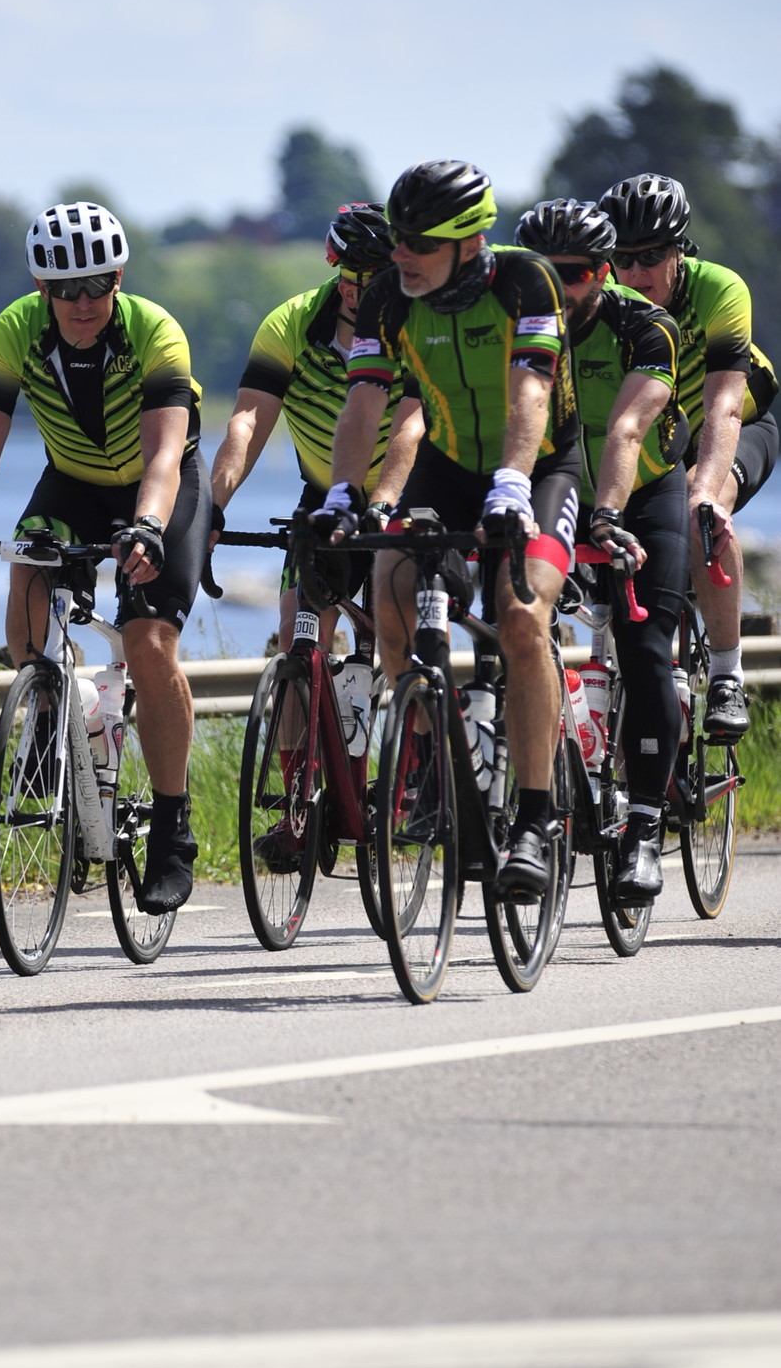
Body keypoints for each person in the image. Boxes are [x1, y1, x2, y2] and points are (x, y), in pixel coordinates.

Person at [321, 159, 581, 898]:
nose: (401, 254)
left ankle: (535, 818)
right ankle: (439, 760)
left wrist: (513, 482)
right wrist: (343, 494)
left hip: (541, 465)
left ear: (469, 243)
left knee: (521, 618)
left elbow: (530, 392)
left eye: (420, 243)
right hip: (447, 464)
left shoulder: (526, 282)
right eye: (398, 238)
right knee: (391, 594)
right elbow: (364, 404)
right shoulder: (387, 296)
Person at [0, 202, 209, 914]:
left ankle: (173, 827)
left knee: (149, 643)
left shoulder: (154, 331)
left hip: (161, 486)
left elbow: (164, 453)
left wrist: (147, 528)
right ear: (42, 289)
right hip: (74, 482)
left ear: (118, 279)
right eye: (65, 289)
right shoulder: (14, 332)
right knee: (27, 567)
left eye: (97, 285)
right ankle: (46, 717)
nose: (82, 302)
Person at [515, 197, 690, 901]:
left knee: (645, 649)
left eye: (579, 272)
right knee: (518, 629)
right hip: (556, 490)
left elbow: (625, 430)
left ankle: (644, 827)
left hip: (641, 494)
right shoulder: (513, 322)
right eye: (546, 271)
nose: (562, 287)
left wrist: (610, 515)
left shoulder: (644, 324)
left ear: (605, 271)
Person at [600, 173, 778, 740]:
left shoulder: (718, 289)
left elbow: (725, 407)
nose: (635, 273)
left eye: (650, 256)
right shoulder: (606, 302)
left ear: (679, 250)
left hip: (733, 424)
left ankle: (726, 675)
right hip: (659, 441)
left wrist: (703, 493)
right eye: (621, 259)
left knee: (698, 515)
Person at [210, 201, 423, 645]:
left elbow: (410, 428)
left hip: (404, 494)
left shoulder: (421, 326)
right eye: (387, 285)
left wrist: (382, 506)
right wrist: (211, 510)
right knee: (297, 629)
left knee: (406, 635)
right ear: (349, 292)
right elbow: (246, 425)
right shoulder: (290, 325)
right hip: (328, 497)